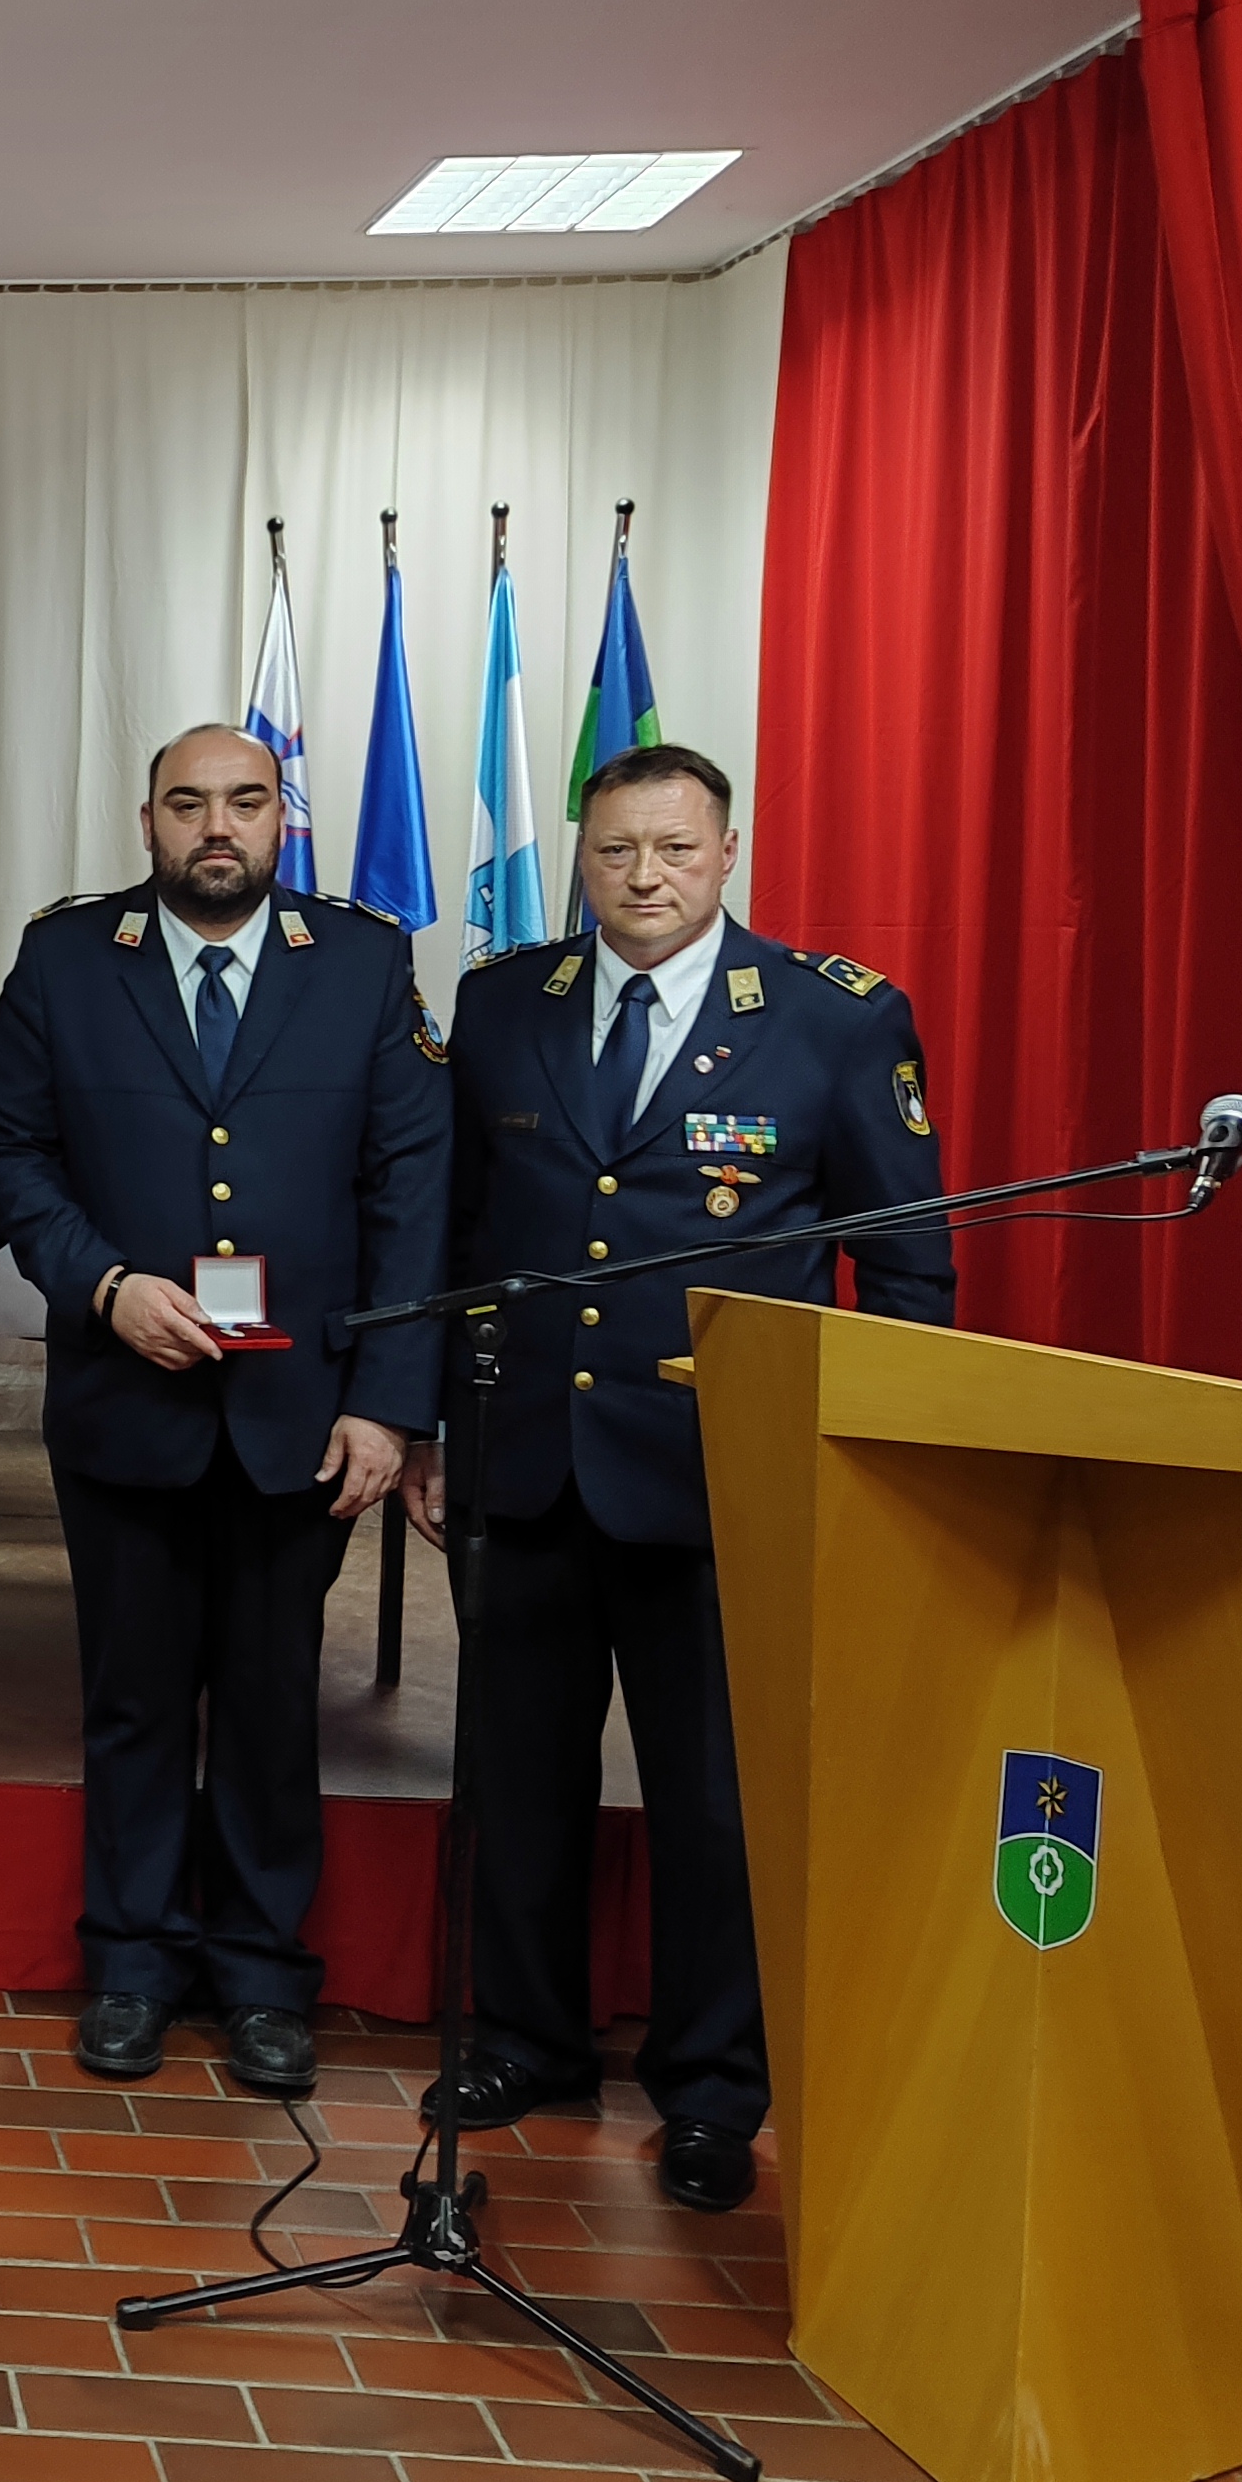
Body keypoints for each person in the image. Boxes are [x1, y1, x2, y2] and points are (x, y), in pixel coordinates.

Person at [402, 742, 950, 2213]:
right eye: (616, 851)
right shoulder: (507, 1003)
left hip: (726, 1482)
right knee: (516, 1776)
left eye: (673, 851)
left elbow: (906, 1271)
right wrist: (435, 1427)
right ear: (581, 857)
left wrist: (863, 1468)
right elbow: (459, 1241)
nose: (644, 878)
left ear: (727, 856)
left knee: (715, 1799)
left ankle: (713, 2089)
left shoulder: (834, 1024)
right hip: (526, 1466)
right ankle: (528, 2038)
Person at [0, 724, 448, 2098]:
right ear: (148, 821)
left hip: (301, 1415)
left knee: (264, 1702)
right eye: (189, 805)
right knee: (129, 1702)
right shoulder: (69, 960)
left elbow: (409, 1189)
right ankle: (129, 1962)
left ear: (280, 817)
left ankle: (257, 1973)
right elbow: (13, 1153)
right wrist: (101, 1284)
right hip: (129, 1401)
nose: (216, 828)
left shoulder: (361, 964)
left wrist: (388, 1404)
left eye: (243, 802)